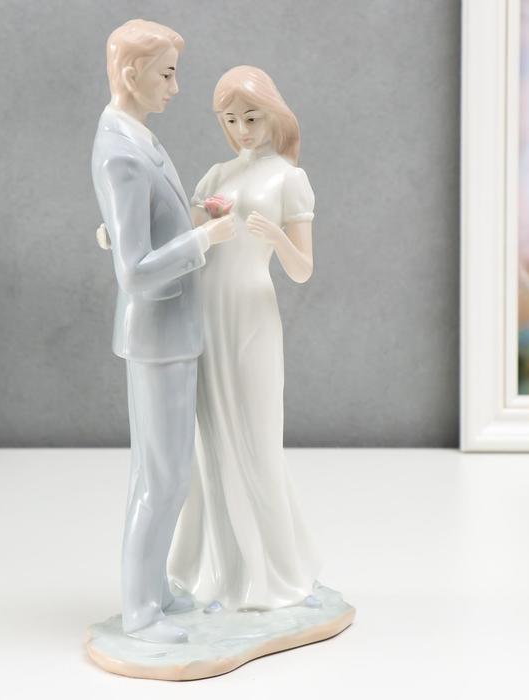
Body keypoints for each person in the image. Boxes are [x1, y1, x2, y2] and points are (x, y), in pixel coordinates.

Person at [90, 19, 234, 644]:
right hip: (158, 331)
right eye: (167, 74)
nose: (176, 88)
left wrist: (191, 219)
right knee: (164, 477)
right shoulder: (121, 152)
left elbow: (139, 228)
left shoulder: (136, 136)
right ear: (132, 74)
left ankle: (152, 590)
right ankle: (139, 611)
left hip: (170, 329)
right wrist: (206, 239)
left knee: (160, 473)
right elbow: (135, 271)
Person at [166, 65, 323, 612]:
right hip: (207, 310)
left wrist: (275, 235)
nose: (242, 130)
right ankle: (222, 574)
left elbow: (302, 270)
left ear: (273, 114)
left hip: (252, 313)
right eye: (231, 120)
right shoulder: (216, 175)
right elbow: (181, 238)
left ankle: (276, 573)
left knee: (255, 438)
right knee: (211, 442)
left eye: (251, 118)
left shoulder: (288, 179)